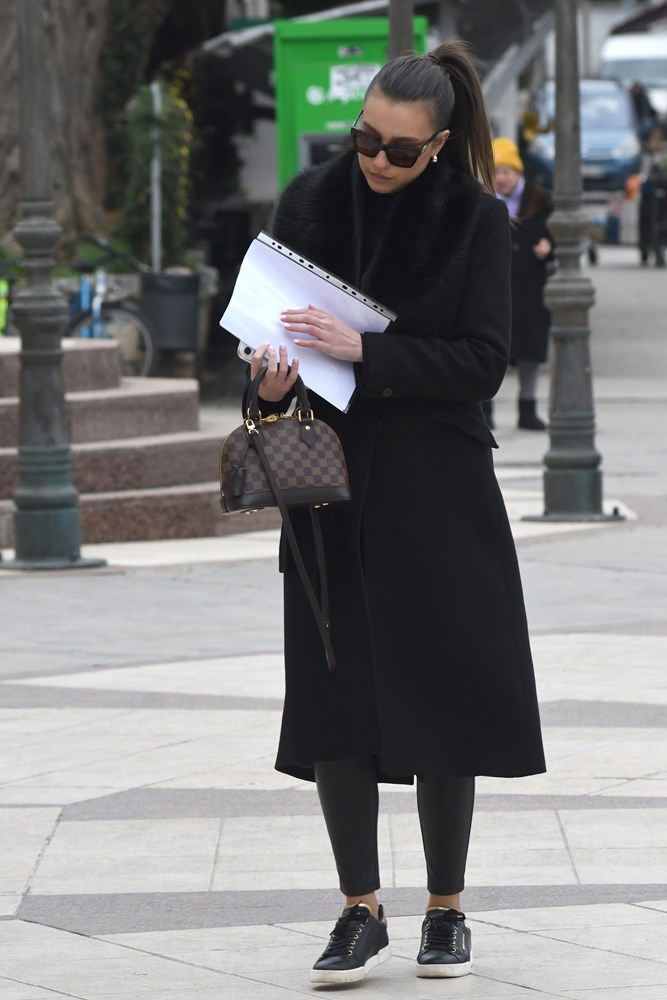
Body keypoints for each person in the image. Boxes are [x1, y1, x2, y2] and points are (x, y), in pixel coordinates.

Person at [247, 40, 546, 986]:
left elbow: (483, 362)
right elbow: (263, 339)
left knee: (443, 694)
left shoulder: (473, 218)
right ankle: (358, 909)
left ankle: (445, 910)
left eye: (401, 150)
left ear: (440, 144)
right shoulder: (308, 204)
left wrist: (367, 351)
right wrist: (266, 383)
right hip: (325, 490)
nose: (377, 160)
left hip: (436, 491)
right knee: (336, 699)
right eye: (365, 139)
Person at [486, 136, 554, 431]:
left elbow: (558, 234)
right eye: (495, 172)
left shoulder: (540, 201)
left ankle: (528, 409)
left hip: (529, 288)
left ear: (517, 172)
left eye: (506, 171)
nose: (501, 178)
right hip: (492, 289)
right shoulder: (484, 202)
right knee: (489, 350)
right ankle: (484, 410)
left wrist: (549, 246)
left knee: (530, 351)